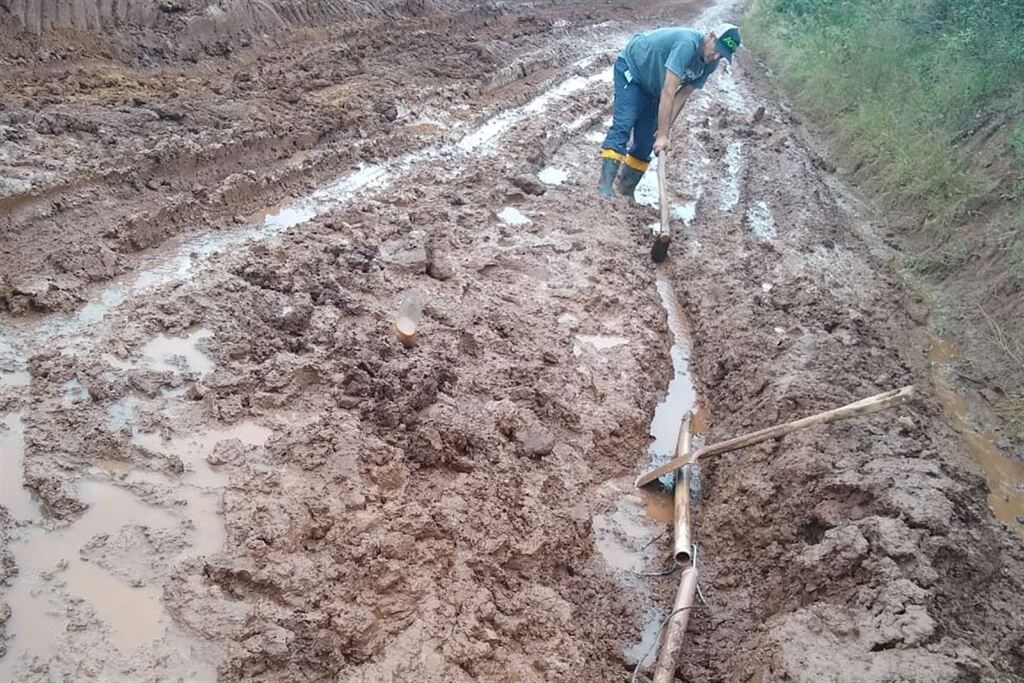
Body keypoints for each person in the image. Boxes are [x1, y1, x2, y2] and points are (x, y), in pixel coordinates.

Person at [598, 23, 741, 199]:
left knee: (645, 141)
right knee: (624, 124)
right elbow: (668, 91)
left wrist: (663, 130)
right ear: (711, 36)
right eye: (717, 49)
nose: (716, 56)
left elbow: (682, 95)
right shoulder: (687, 43)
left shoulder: (710, 64)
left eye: (722, 55)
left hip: (655, 86)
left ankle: (625, 191)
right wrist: (664, 135)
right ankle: (604, 188)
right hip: (633, 70)